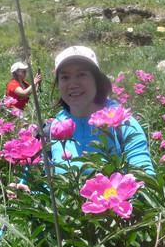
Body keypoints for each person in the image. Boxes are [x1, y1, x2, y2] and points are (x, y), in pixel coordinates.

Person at [48, 45, 154, 176]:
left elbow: (144, 179)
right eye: (65, 77)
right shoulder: (54, 130)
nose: (73, 84)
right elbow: (47, 184)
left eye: (81, 75)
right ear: (58, 84)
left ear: (97, 80)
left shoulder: (123, 124)